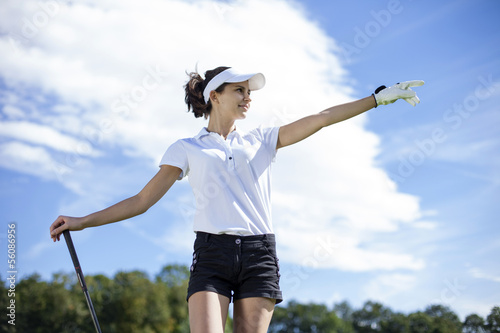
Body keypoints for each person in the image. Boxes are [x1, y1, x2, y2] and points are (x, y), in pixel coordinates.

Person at [50, 66, 423, 332]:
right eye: (239, 90)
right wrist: (82, 221)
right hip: (212, 254)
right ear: (215, 95)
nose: (248, 97)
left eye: (249, 91)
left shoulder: (261, 138)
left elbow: (322, 117)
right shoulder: (186, 148)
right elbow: (141, 200)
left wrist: (376, 99)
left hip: (259, 253)